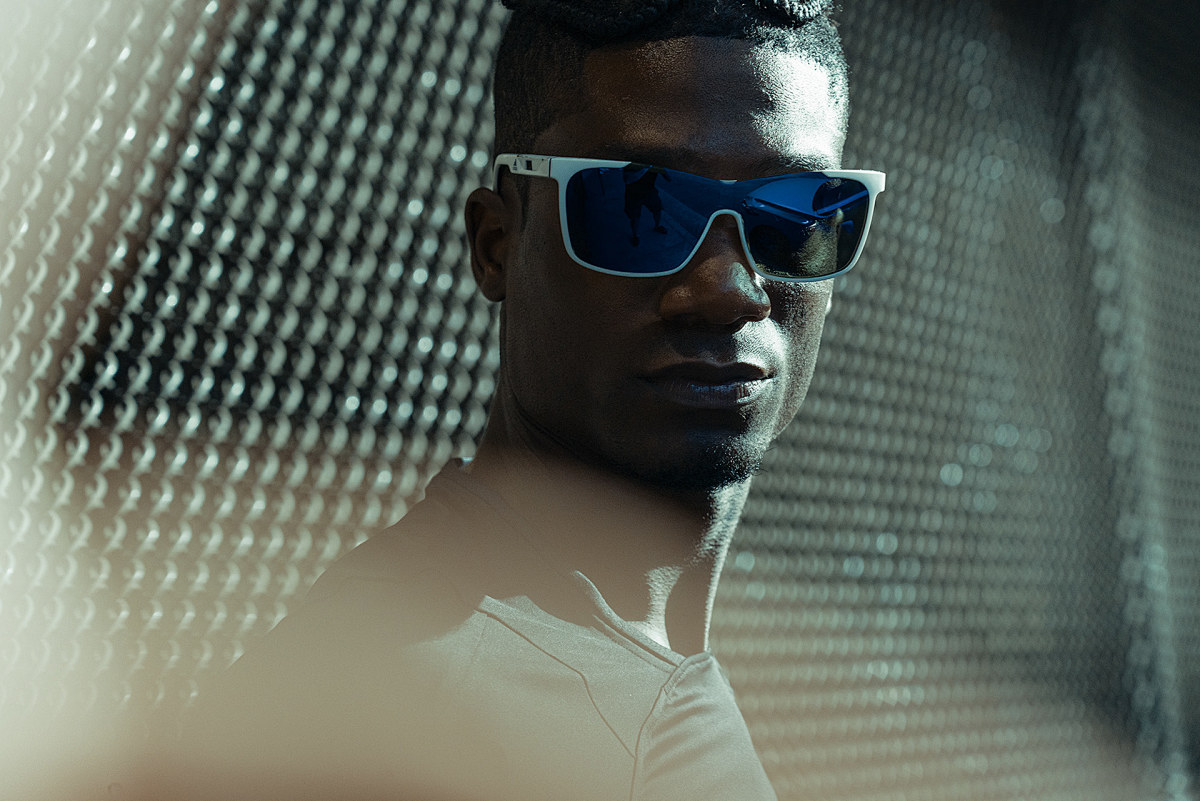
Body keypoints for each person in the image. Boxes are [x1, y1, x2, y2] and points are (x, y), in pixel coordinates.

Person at [169, 1, 885, 799]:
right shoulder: (524, 723)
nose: (727, 290)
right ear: (496, 244)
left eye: (797, 213)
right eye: (639, 208)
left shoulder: (408, 644)